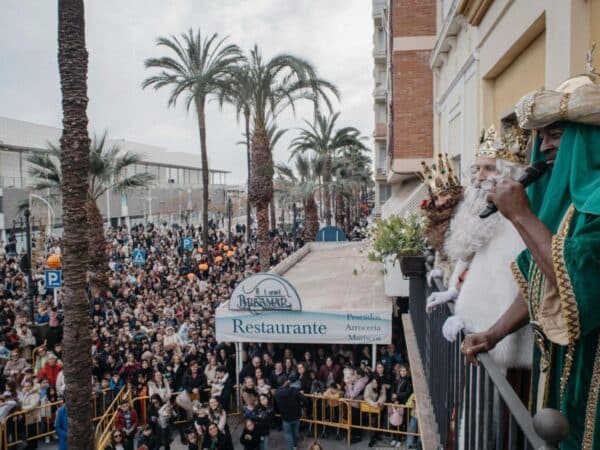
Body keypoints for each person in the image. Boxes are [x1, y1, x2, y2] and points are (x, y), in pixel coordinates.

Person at [462, 72, 600, 448]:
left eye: (554, 134)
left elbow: (571, 277)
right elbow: (541, 279)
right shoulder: (565, 200)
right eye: (540, 136)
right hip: (560, 372)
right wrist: (494, 333)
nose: (543, 147)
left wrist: (521, 216)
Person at [427, 125, 533, 370]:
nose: (479, 176)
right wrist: (453, 290)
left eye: (489, 168)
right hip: (478, 343)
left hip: (498, 352)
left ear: (510, 174)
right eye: (477, 168)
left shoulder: (513, 222)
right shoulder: (486, 214)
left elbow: (502, 289)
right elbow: (471, 258)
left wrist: (469, 320)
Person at [274, 381, 304, 450]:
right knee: (295, 433)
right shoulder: (295, 391)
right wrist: (302, 406)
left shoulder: (278, 393)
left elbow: (276, 403)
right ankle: (295, 446)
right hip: (296, 416)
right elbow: (304, 400)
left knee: (288, 434)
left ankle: (291, 448)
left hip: (285, 417)